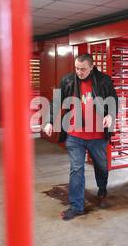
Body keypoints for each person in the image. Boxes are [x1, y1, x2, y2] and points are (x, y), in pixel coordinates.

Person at [43, 53, 118, 221]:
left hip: (97, 135)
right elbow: (56, 101)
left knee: (102, 166)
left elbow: (113, 99)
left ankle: (102, 189)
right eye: (76, 68)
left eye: (83, 69)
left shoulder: (103, 80)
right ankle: (77, 206)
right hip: (75, 135)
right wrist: (49, 121)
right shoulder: (68, 80)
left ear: (91, 67)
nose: (79, 72)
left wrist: (110, 115)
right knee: (77, 169)